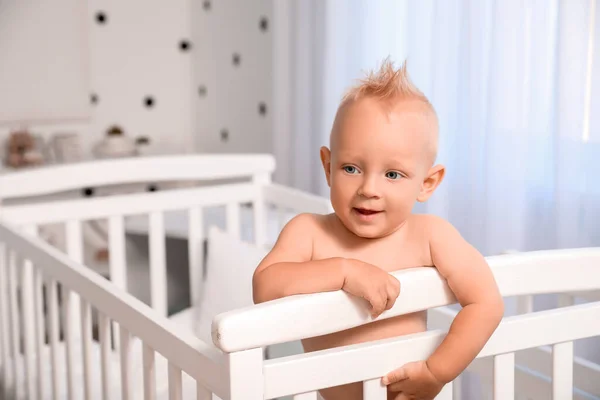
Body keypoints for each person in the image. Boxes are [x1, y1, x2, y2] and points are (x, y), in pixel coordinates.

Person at [252, 59, 504, 400]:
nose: (369, 188)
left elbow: (486, 303)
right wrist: (343, 271)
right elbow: (264, 286)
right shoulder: (308, 232)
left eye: (393, 174)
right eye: (351, 168)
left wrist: (436, 372)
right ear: (328, 167)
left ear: (427, 183)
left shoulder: (430, 236)